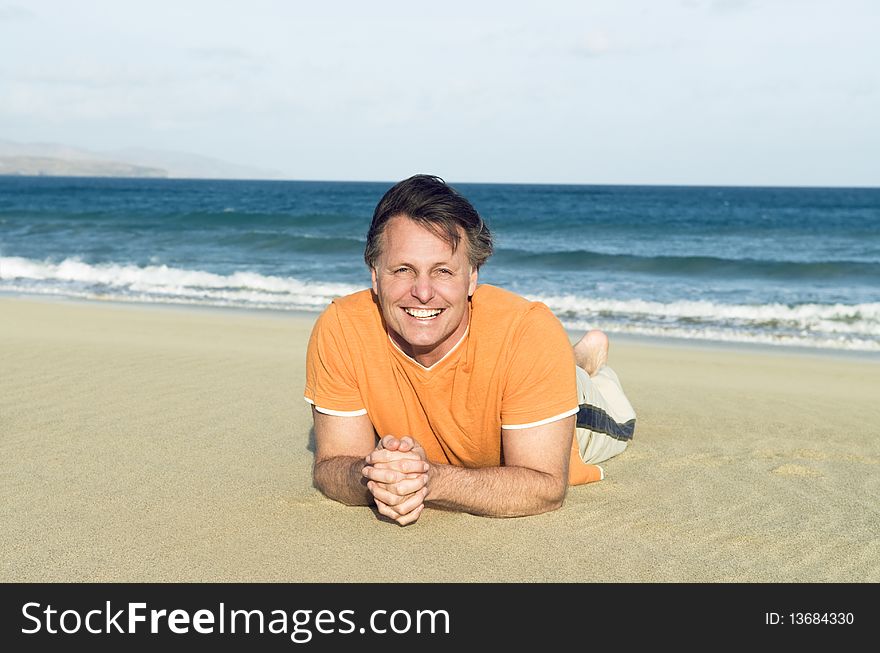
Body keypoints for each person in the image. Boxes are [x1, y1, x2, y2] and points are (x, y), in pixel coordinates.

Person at [304, 174, 636, 525]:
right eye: (403, 269)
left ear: (472, 277)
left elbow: (545, 486)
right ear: (374, 274)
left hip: (582, 409)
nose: (422, 292)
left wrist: (428, 480)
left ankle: (583, 363)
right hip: (525, 370)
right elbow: (333, 466)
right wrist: (373, 476)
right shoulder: (342, 326)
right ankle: (572, 357)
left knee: (592, 394)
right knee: (536, 365)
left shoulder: (528, 331)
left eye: (443, 271)